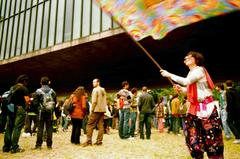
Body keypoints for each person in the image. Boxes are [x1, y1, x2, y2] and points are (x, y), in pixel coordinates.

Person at [160, 51, 224, 159]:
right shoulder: (191, 73)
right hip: (194, 109)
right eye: (186, 57)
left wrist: (169, 74)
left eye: (190, 57)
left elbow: (186, 81)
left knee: (211, 138)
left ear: (197, 59)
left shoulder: (199, 70)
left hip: (206, 110)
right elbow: (190, 91)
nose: (186, 58)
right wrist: (182, 90)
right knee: (193, 138)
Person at [2, 74, 30, 153]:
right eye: (26, 82)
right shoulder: (23, 88)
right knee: (17, 128)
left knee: (9, 127)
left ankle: (6, 147)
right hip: (19, 109)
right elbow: (27, 100)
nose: (26, 84)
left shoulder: (12, 88)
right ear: (24, 81)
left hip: (10, 108)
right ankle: (14, 147)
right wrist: (28, 103)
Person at [33, 76, 57, 150]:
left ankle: (38, 145)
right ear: (49, 82)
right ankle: (49, 145)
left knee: (40, 128)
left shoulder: (38, 91)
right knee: (49, 128)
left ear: (40, 83)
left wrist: (37, 109)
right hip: (50, 112)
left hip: (41, 112)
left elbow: (35, 103)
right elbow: (55, 102)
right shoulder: (52, 91)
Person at [82, 78, 107, 147]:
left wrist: (92, 110)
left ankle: (88, 141)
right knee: (101, 125)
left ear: (98, 82)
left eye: (94, 82)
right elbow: (105, 100)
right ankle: (99, 141)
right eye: (93, 82)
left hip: (96, 110)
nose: (93, 83)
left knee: (89, 125)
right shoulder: (103, 90)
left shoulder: (95, 90)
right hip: (102, 110)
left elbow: (94, 101)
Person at [225, 80, 240, 144]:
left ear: (226, 84)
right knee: (237, 123)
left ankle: (238, 137)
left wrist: (227, 109)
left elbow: (229, 101)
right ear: (232, 84)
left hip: (231, 110)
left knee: (229, 122)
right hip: (238, 109)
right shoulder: (236, 91)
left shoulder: (228, 92)